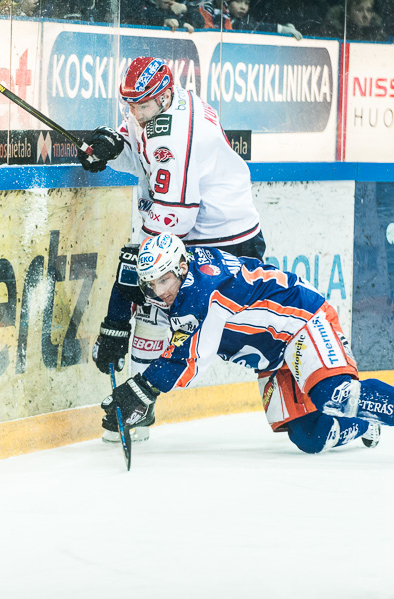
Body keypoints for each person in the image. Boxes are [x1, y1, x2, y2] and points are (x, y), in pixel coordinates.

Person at [101, 233, 394, 453]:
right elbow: (127, 281)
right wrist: (114, 326)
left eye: (164, 281)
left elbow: (193, 359)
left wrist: (142, 389)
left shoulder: (203, 290)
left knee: (337, 395)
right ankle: (366, 423)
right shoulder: (171, 274)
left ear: (181, 267)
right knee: (308, 438)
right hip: (272, 354)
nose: (158, 292)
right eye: (151, 284)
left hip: (302, 321)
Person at [78, 57, 266, 442]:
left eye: (141, 106)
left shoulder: (174, 133)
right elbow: (140, 146)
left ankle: (322, 381)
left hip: (225, 240)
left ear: (163, 96)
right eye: (129, 106)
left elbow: (174, 218)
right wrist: (114, 144)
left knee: (242, 335)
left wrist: (117, 313)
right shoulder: (158, 105)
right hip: (202, 230)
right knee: (154, 306)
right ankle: (139, 408)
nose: (135, 113)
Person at [199, 0, 303, 40]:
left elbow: (255, 25)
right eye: (238, 2)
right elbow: (245, 27)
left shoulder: (247, 18)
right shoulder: (215, 12)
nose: (243, 7)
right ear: (227, 2)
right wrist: (280, 29)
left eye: (246, 3)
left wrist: (283, 28)